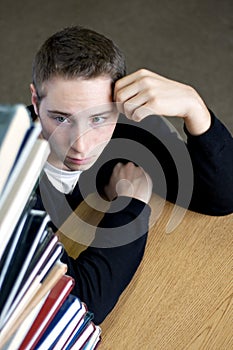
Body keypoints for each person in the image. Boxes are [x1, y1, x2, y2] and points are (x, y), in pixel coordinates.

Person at [28, 25, 233, 324]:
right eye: (60, 118)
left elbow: (222, 195)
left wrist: (195, 108)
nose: (81, 145)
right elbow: (79, 303)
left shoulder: (129, 131)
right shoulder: (11, 177)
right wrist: (131, 205)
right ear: (35, 102)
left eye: (98, 118)